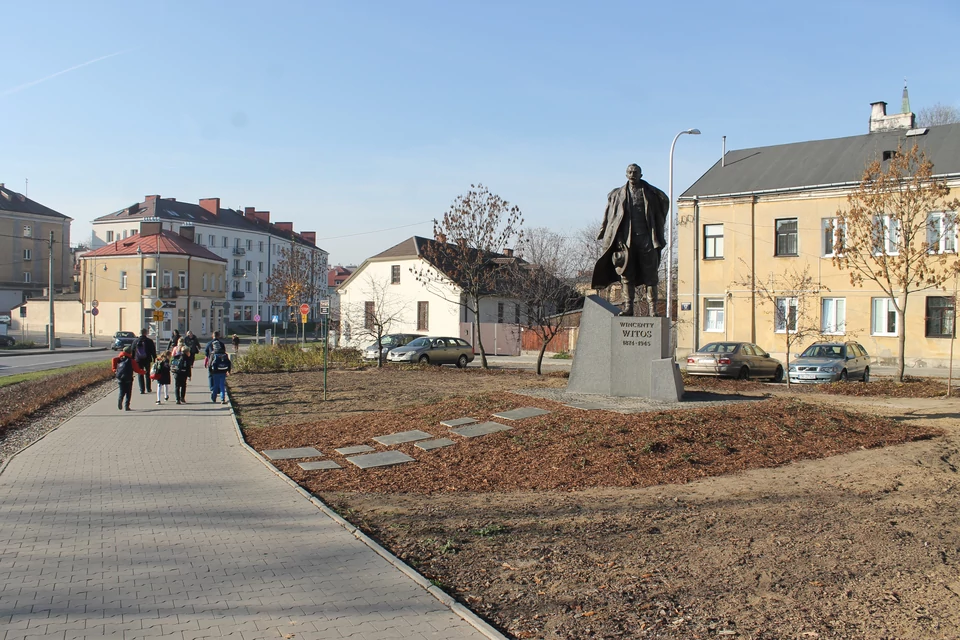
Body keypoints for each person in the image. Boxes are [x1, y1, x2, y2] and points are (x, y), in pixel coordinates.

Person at [591, 163, 670, 317]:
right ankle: (628, 308)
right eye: (630, 172)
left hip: (647, 239)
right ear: (626, 175)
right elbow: (611, 216)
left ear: (641, 175)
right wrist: (613, 234)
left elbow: (664, 204)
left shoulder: (651, 193)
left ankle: (653, 309)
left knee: (651, 275)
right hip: (627, 241)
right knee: (627, 275)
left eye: (635, 172)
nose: (632, 174)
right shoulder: (617, 194)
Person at [111, 346, 145, 411]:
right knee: (128, 392)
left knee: (121, 391)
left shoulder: (118, 359)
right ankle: (127, 406)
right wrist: (144, 372)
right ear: (130, 352)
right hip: (128, 378)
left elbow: (114, 365)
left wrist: (115, 370)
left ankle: (120, 399)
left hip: (120, 378)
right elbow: (137, 370)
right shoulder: (131, 361)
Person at [131, 328, 157, 393]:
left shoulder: (135, 341)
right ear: (146, 333)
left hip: (138, 359)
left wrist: (132, 359)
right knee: (147, 373)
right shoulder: (149, 341)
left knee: (140, 373)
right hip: (147, 359)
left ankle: (142, 389)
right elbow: (153, 351)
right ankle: (148, 388)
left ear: (140, 333)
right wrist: (154, 358)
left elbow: (132, 350)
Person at [207, 338, 232, 404]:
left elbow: (209, 364)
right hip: (223, 371)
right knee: (222, 385)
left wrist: (210, 371)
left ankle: (214, 397)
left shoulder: (213, 354)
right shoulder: (224, 354)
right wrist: (228, 371)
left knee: (216, 385)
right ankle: (222, 399)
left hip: (215, 372)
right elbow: (229, 363)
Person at [171, 339, 192, 404]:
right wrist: (189, 375)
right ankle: (182, 398)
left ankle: (177, 399)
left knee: (177, 386)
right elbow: (188, 367)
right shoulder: (187, 358)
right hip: (184, 373)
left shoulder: (176, 356)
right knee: (183, 385)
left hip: (177, 372)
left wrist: (173, 371)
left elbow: (173, 363)